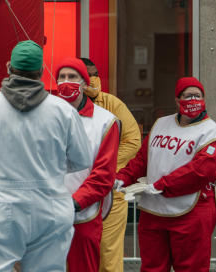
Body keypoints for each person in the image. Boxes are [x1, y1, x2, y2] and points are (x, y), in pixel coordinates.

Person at [0, 40, 92, 272]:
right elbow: (82, 159)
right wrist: (50, 169)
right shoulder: (64, 111)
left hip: (1, 208)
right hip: (50, 206)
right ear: (40, 72)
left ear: (8, 67)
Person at [116, 76, 216, 272]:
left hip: (191, 213)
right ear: (177, 100)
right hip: (153, 211)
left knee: (191, 267)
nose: (193, 100)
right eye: (188, 96)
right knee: (152, 267)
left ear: (204, 99)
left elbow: (201, 171)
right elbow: (143, 159)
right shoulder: (161, 124)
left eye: (197, 95)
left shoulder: (212, 134)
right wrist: (122, 177)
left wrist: (162, 185)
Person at [54, 58, 120, 272]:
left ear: (84, 83)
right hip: (46, 213)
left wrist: (74, 203)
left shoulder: (105, 121)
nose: (66, 81)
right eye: (61, 77)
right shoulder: (44, 116)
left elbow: (103, 175)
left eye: (72, 77)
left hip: (83, 216)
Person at [78, 58, 141, 272]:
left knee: (109, 256)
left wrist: (105, 168)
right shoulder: (60, 107)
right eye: (88, 74)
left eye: (96, 73)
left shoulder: (112, 105)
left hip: (109, 194)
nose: (94, 78)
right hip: (73, 193)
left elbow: (133, 141)